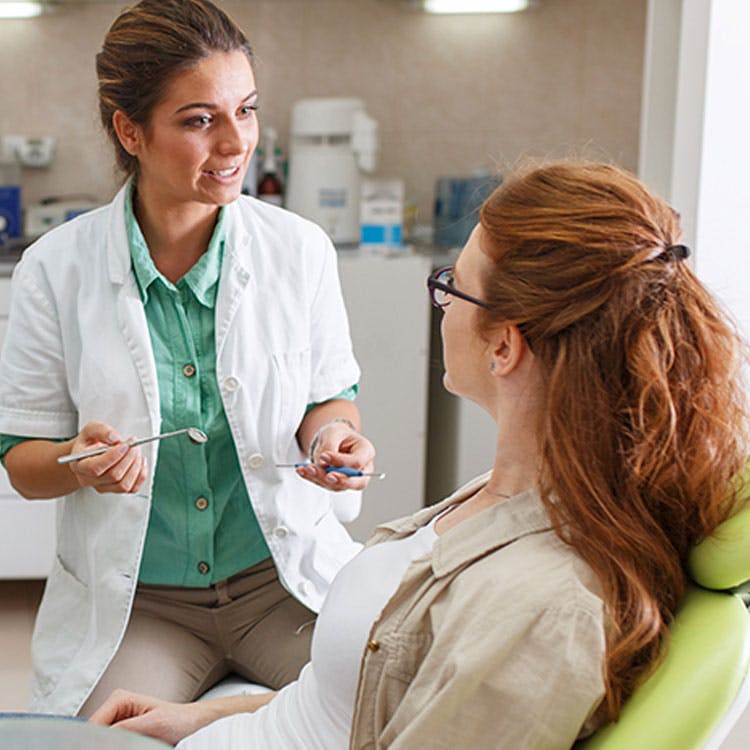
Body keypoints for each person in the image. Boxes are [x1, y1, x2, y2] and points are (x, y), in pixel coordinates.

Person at [89, 159, 749, 748]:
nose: (442, 305)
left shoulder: (543, 611)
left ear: (504, 347)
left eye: (452, 286)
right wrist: (206, 720)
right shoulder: (516, 494)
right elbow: (361, 704)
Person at [0, 0, 377, 717]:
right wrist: (77, 460)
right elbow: (23, 459)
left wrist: (331, 435)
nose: (236, 143)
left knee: (386, 712)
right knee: (100, 739)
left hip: (281, 587)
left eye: (247, 110)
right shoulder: (55, 269)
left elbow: (330, 399)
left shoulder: (298, 252)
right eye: (200, 119)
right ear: (130, 131)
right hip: (145, 605)